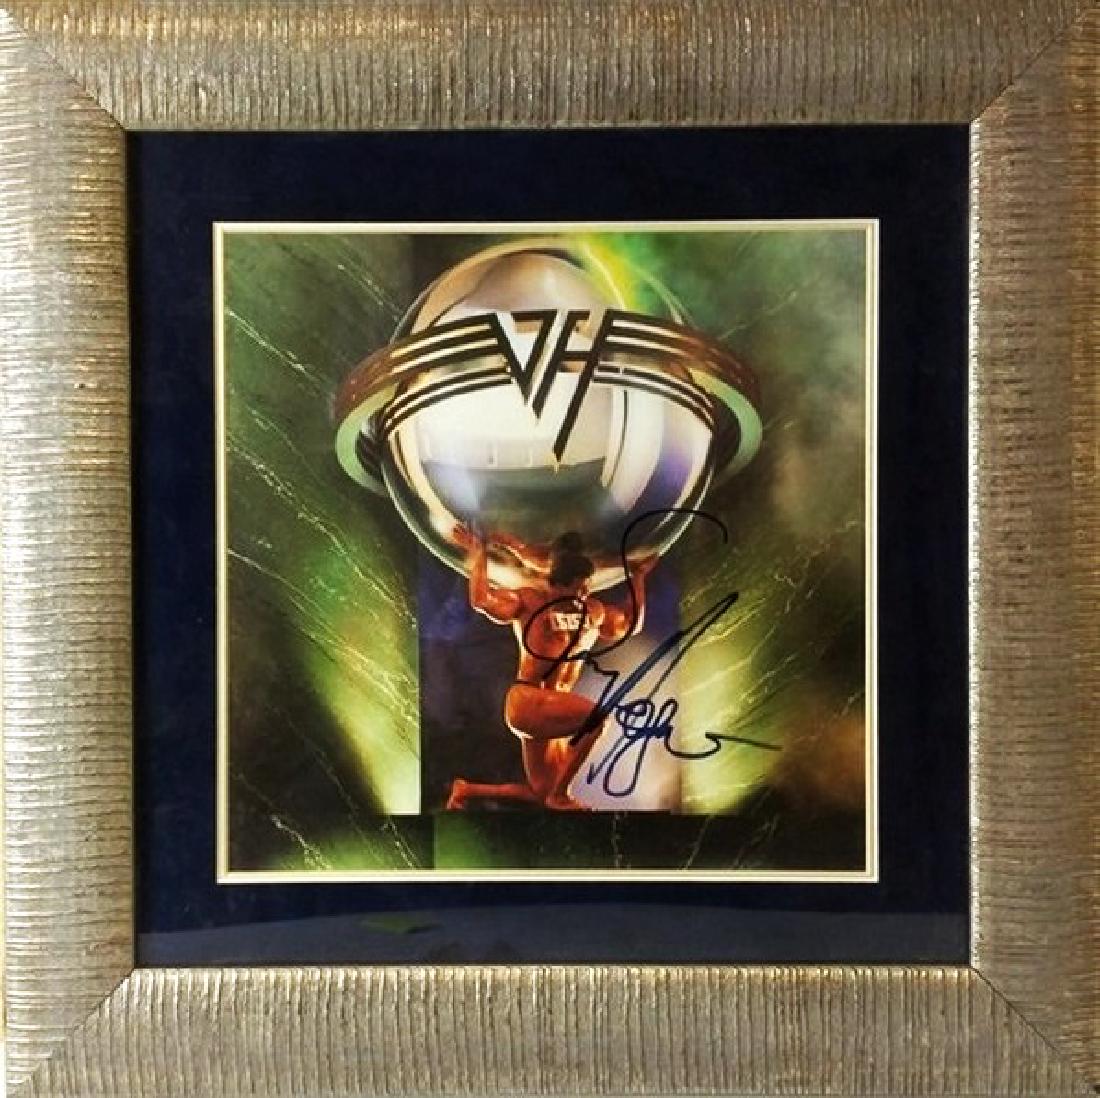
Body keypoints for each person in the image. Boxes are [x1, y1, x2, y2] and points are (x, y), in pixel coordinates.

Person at [446, 526, 657, 810]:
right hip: (527, 701)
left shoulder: (592, 612)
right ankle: (561, 795)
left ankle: (467, 790)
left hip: (553, 709)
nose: (582, 595)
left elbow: (631, 624)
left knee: (541, 793)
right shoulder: (530, 602)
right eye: (577, 589)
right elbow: (482, 600)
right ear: (556, 586)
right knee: (597, 720)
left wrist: (639, 578)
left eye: (586, 589)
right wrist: (478, 552)